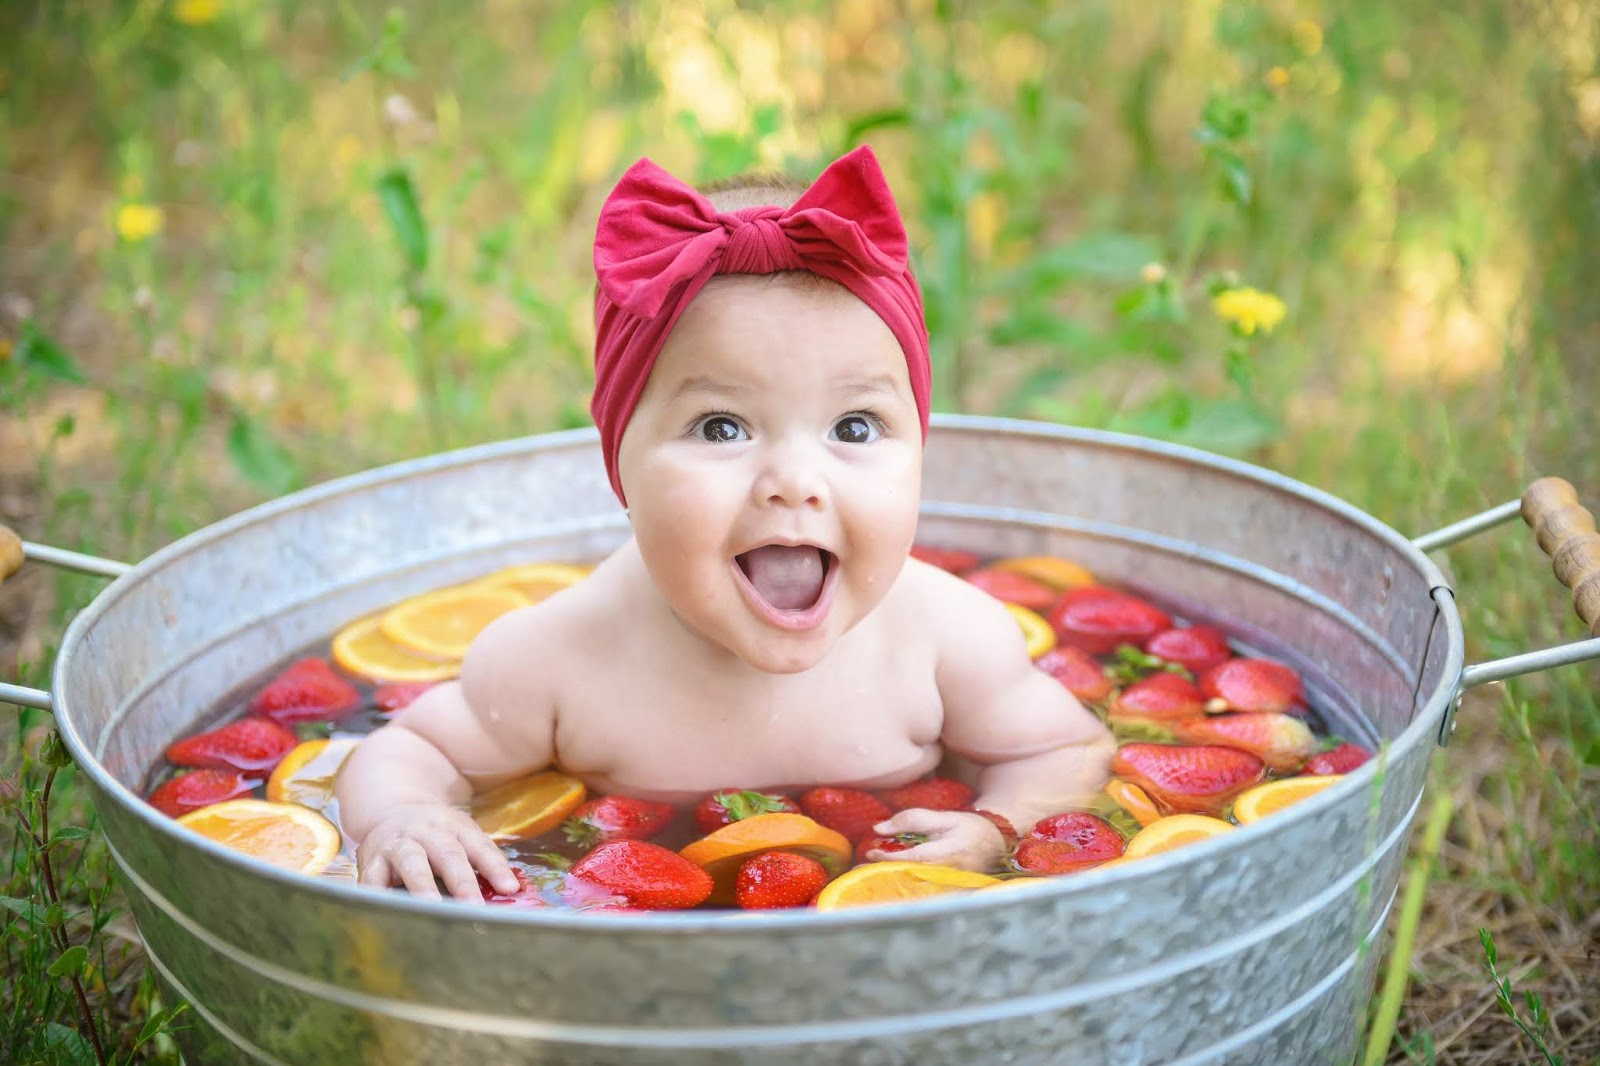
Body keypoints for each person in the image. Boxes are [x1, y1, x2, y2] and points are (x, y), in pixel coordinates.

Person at [335, 145, 1113, 902]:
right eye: (720, 428)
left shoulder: (947, 637)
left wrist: (996, 828)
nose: (795, 484)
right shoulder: (558, 657)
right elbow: (410, 749)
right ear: (620, 463)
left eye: (853, 427)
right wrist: (408, 815)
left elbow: (1067, 747)